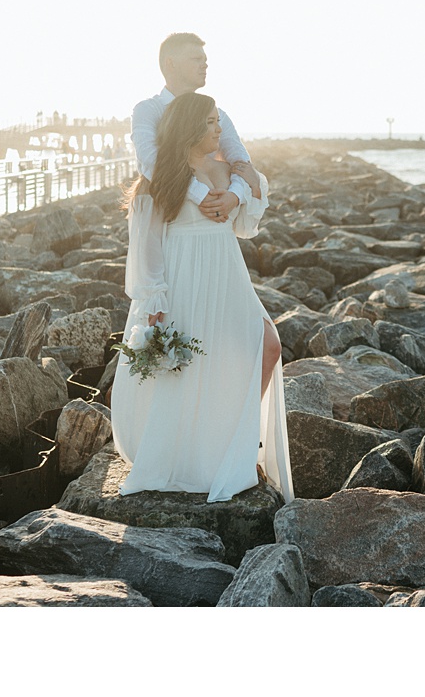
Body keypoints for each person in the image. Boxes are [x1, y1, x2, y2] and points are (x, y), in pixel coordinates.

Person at [112, 91, 294, 503]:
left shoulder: (227, 168)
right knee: (185, 368)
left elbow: (251, 211)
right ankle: (191, 453)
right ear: (191, 127)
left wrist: (239, 194)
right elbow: (148, 242)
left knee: (267, 346)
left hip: (227, 274)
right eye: (211, 122)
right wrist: (155, 299)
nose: (220, 129)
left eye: (219, 121)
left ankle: (232, 439)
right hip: (182, 278)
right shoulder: (164, 177)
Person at [131, 32, 262, 224]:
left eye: (205, 60)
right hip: (163, 216)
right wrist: (201, 194)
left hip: (213, 213)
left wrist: (234, 195)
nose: (205, 65)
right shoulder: (149, 110)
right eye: (196, 59)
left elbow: (241, 161)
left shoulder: (218, 114)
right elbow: (150, 160)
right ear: (171, 64)